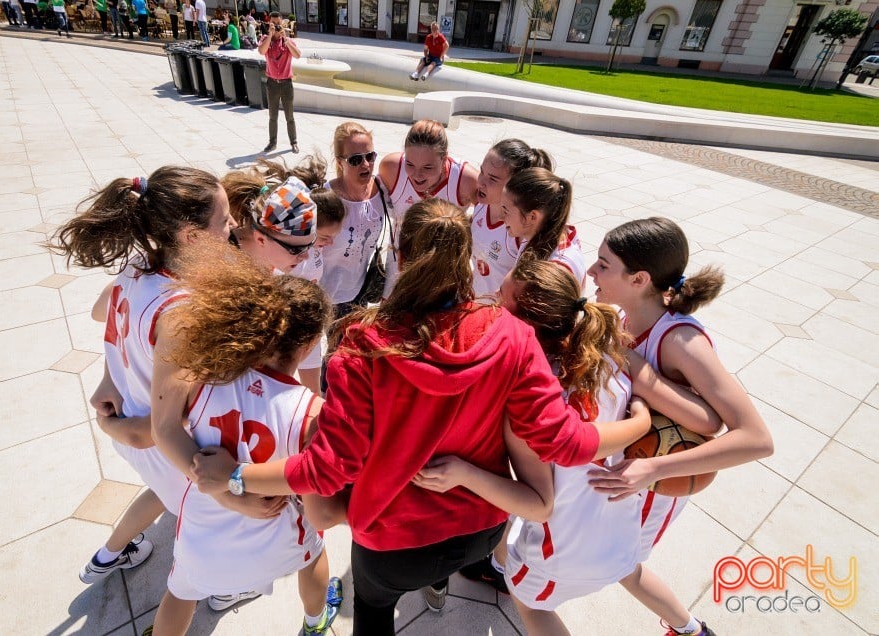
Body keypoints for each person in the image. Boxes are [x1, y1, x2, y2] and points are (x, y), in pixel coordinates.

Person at [189, 199, 652, 636]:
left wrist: (234, 477)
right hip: (482, 531)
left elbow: (328, 469)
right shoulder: (514, 336)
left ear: (401, 255)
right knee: (441, 566)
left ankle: (427, 584)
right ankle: (438, 586)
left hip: (392, 545)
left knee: (372, 609)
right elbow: (567, 444)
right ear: (467, 258)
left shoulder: (362, 347)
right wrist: (642, 424)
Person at [422, 258, 723, 635]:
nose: (492, 301)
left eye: (501, 296)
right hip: (621, 527)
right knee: (630, 572)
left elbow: (536, 502)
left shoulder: (526, 398)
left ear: (522, 321)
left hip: (563, 550)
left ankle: (499, 568)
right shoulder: (608, 360)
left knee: (530, 605)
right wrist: (642, 416)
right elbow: (704, 418)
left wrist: (463, 473)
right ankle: (693, 629)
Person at [49, 168, 266, 614]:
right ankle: (222, 586)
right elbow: (165, 429)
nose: (232, 228)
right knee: (205, 528)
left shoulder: (138, 267)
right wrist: (228, 494)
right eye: (224, 220)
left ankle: (112, 553)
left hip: (137, 432)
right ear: (189, 236)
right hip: (159, 445)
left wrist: (112, 381)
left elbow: (100, 315)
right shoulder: (181, 312)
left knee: (163, 495)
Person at [586, 217, 773, 636]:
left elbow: (756, 438)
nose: (590, 271)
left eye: (602, 264)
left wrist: (652, 469)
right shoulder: (624, 315)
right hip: (625, 465)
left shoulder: (680, 341)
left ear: (639, 279)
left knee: (623, 565)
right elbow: (700, 414)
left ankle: (689, 629)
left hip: (652, 477)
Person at [146, 246, 343, 636]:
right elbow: (316, 486)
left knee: (180, 592)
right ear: (306, 349)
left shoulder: (203, 379)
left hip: (202, 543)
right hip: (277, 544)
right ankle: (315, 623)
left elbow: (162, 429)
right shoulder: (313, 412)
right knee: (315, 554)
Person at [378, 119, 478, 294]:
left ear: (444, 158)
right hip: (399, 264)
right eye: (410, 164)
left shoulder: (466, 180)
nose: (417, 175)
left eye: (428, 167)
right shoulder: (392, 168)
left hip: (442, 273)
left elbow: (491, 219)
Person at [321, 122, 390, 316]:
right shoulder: (326, 198)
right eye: (355, 159)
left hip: (363, 289)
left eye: (370, 156)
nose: (366, 164)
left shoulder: (381, 190)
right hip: (329, 295)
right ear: (340, 161)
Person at [470, 139, 552, 299]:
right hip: (475, 306)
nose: (480, 181)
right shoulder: (480, 207)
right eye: (481, 171)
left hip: (499, 315)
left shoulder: (521, 230)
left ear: (515, 186)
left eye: (492, 179)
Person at [290, 187, 345, 394]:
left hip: (309, 327)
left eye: (334, 236)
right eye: (325, 236)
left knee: (313, 392)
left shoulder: (315, 248)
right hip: (287, 330)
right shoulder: (291, 256)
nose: (330, 243)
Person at [500, 167, 585, 288]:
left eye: (505, 211)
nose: (501, 217)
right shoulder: (534, 237)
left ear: (532, 217)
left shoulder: (556, 269)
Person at [259, 11, 301, 154]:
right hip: (272, 83)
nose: (276, 26)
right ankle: (272, 143)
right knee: (273, 116)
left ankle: (294, 142)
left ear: (282, 23)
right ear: (269, 23)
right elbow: (261, 51)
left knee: (289, 116)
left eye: (278, 23)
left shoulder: (288, 41)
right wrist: (270, 35)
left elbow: (298, 55)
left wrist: (285, 38)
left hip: (286, 84)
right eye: (273, 23)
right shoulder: (265, 39)